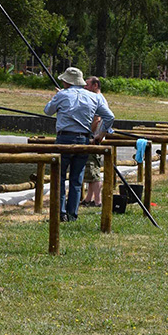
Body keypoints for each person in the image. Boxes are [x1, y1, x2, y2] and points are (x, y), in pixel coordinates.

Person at [44, 66, 115, 222]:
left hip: (64, 139)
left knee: (60, 177)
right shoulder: (93, 97)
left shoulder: (62, 95)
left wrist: (56, 97)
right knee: (77, 179)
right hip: (84, 140)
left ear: (66, 81)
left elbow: (47, 111)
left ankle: (60, 213)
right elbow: (110, 117)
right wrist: (99, 136)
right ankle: (72, 215)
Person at [81, 76, 109, 206]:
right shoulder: (100, 98)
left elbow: (96, 119)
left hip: (94, 139)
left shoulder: (97, 98)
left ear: (95, 85)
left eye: (87, 85)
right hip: (97, 138)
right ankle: (88, 199)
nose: (85, 87)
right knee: (91, 169)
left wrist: (90, 134)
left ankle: (98, 201)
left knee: (93, 170)